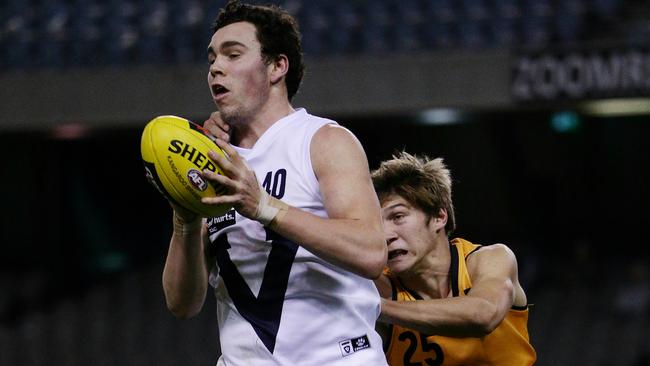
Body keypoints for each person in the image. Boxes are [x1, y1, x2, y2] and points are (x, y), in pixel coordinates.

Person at [160, 1, 388, 365]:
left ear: (277, 67)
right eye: (212, 59)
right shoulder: (210, 160)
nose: (216, 67)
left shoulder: (324, 141)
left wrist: (263, 206)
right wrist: (185, 220)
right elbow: (182, 304)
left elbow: (371, 253)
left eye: (233, 54)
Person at [370, 152, 537, 365]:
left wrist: (377, 307)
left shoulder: (490, 259)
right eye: (377, 223)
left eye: (398, 216)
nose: (385, 235)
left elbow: (483, 315)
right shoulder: (379, 286)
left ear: (440, 217)